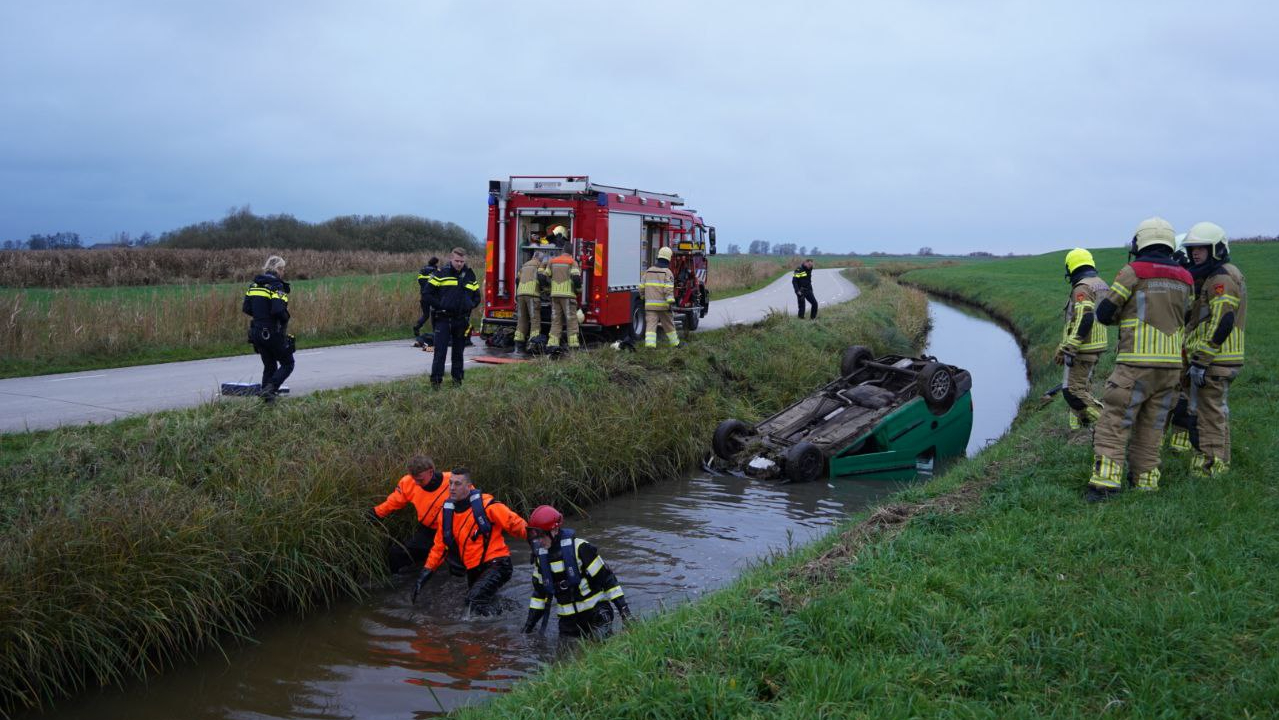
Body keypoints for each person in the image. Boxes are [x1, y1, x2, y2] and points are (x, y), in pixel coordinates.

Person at [1086, 217, 1193, 501]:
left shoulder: (1133, 272)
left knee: (1115, 421)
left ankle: (1105, 484)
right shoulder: (1186, 277)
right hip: (1170, 368)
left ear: (1139, 243)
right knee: (1152, 427)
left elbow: (1105, 313)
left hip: (1135, 365)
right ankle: (1145, 483)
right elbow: (1188, 314)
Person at [1175, 222, 1246, 477]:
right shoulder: (1216, 275)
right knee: (1214, 413)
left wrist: (1201, 360)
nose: (1195, 254)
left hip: (1215, 360)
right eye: (1192, 249)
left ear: (1216, 249)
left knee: (1207, 415)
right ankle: (1217, 464)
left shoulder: (1221, 279)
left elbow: (1223, 319)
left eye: (1201, 248)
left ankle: (1210, 469)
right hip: (1217, 359)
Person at [413, 469, 528, 615]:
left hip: (498, 564)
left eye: (457, 484)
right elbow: (440, 547)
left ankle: (504, 622)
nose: (452, 488)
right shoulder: (446, 512)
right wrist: (425, 574)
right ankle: (510, 613)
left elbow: (515, 524)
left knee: (473, 601)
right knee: (479, 602)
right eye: (450, 483)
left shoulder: (486, 505)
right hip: (474, 569)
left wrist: (536, 541)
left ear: (468, 486)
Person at [521, 505, 632, 638]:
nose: (539, 541)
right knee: (565, 651)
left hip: (596, 613)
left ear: (555, 530)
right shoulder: (541, 559)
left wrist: (625, 612)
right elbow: (539, 596)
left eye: (542, 536)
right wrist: (527, 628)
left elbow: (608, 580)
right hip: (568, 622)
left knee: (599, 643)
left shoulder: (580, 548)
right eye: (536, 537)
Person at [1054, 248, 1110, 430]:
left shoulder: (1082, 288)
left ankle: (1107, 425)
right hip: (1096, 344)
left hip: (1083, 347)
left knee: (1072, 391)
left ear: (1071, 268)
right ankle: (1080, 428)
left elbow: (1084, 318)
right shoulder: (1100, 284)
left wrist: (1069, 347)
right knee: (1083, 388)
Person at [368, 456, 451, 573]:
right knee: (396, 554)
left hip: (452, 531)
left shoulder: (453, 481)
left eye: (420, 480)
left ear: (431, 472)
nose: (416, 483)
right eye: (414, 479)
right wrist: (374, 513)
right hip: (428, 531)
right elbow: (394, 501)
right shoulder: (408, 482)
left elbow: (472, 506)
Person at [425, 247, 480, 389]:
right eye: (457, 261)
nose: (459, 264)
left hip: (461, 320)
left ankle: (457, 381)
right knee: (440, 352)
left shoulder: (469, 275)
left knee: (458, 353)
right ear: (451, 259)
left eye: (462, 261)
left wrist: (470, 305)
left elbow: (477, 296)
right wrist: (440, 305)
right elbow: (427, 294)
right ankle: (436, 382)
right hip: (443, 319)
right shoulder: (441, 273)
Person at [242, 255, 294, 403]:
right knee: (288, 363)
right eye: (283, 269)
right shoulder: (277, 286)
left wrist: (260, 315)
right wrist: (286, 317)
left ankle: (267, 403)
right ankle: (270, 389)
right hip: (272, 331)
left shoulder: (254, 286)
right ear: (278, 269)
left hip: (257, 332)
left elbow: (246, 308)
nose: (283, 272)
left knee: (269, 366)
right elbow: (278, 310)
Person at [542, 242, 582, 351]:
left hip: (555, 296)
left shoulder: (552, 261)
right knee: (571, 320)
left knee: (556, 320)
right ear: (571, 252)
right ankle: (573, 346)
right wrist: (578, 290)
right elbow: (576, 278)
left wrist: (547, 289)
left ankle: (552, 344)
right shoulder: (572, 262)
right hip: (568, 296)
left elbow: (543, 277)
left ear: (562, 251)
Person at [640, 247, 680, 348]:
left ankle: (650, 345)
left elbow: (641, 287)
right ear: (668, 258)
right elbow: (668, 289)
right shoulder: (667, 272)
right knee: (669, 325)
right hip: (663, 306)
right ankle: (675, 344)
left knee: (650, 326)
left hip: (650, 306)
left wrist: (643, 297)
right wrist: (670, 302)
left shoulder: (648, 271)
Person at [513, 250, 545, 355]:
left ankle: (518, 344)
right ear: (540, 259)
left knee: (522, 320)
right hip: (532, 294)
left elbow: (517, 280)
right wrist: (545, 289)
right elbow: (542, 278)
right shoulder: (539, 265)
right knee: (535, 320)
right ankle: (533, 343)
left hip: (520, 294)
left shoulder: (524, 265)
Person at [412, 256, 440, 347]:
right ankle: (435, 331)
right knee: (435, 312)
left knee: (426, 314)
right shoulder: (436, 270)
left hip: (423, 295)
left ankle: (417, 327)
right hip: (433, 296)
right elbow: (438, 283)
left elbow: (419, 281)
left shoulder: (422, 270)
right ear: (436, 263)